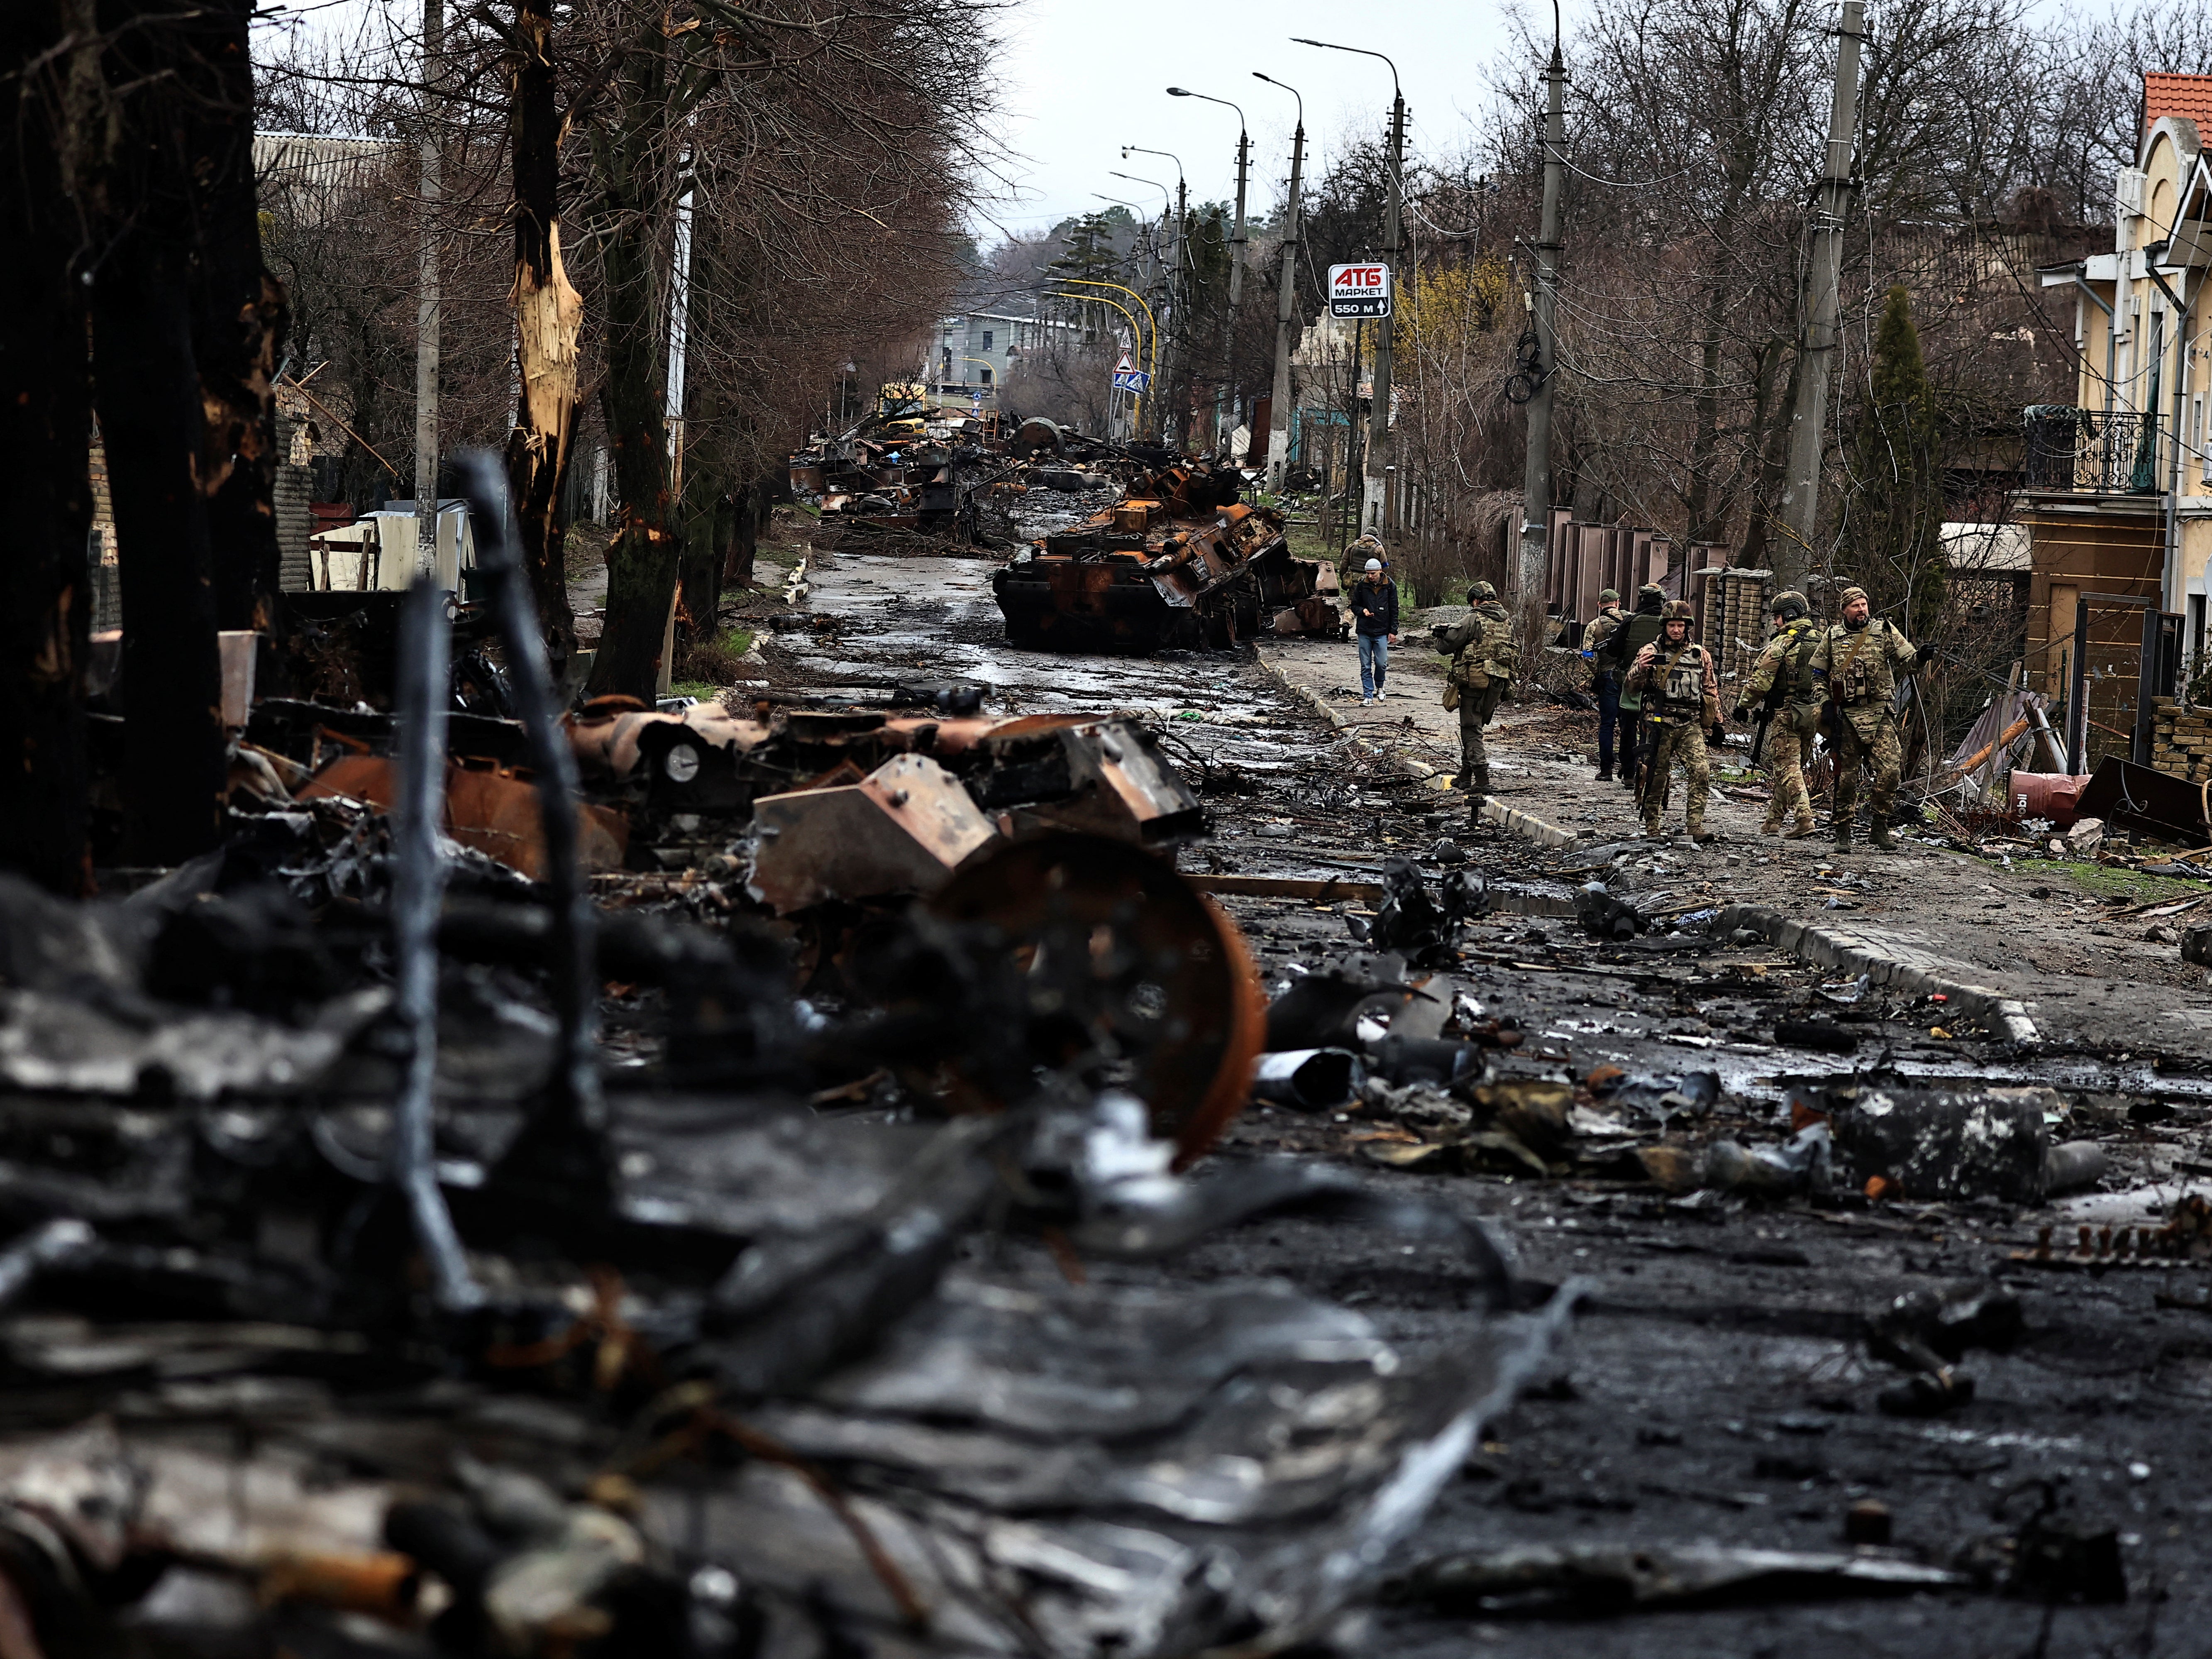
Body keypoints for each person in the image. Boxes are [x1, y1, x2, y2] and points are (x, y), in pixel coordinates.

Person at [1809, 585, 1920, 851]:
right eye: (1856, 606)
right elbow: (1818, 676)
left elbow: (1909, 661)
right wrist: (1825, 704)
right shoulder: (1832, 637)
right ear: (1845, 610)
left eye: (1864, 604)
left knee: (1890, 771)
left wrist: (1922, 657)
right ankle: (1843, 832)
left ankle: (1879, 827)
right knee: (1846, 777)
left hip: (1880, 713)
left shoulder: (1884, 631)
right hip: (1847, 716)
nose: (1862, 610)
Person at [1624, 600, 1720, 841]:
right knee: (1656, 775)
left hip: (1690, 723)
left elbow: (1710, 690)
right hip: (1659, 723)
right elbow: (1631, 687)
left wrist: (1717, 723)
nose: (1676, 630)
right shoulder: (1650, 651)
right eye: (1672, 625)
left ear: (1687, 627)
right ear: (1664, 626)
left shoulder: (1700, 655)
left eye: (1680, 625)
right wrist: (1640, 668)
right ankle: (1653, 828)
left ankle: (1695, 826)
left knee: (1701, 771)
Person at [1731, 590, 1821, 838]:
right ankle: (1774, 820)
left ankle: (1804, 818)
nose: (1775, 621)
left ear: (1789, 614)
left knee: (1787, 766)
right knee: (1792, 766)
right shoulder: (1823, 640)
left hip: (1786, 712)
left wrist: (1743, 706)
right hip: (1813, 712)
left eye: (1777, 616)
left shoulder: (1783, 642)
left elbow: (1760, 679)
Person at [1433, 580, 1517, 794]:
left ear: (1477, 600)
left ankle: (1482, 779)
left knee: (1471, 729)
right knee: (1475, 726)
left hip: (1475, 681)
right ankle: (1465, 776)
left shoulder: (1473, 619)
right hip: (1498, 683)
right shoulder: (1507, 622)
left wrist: (1439, 637)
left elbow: (1447, 646)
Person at [1597, 584, 1668, 794]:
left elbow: (1613, 650)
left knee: (1628, 728)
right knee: (1660, 729)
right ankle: (1656, 773)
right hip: (1662, 686)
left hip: (1632, 683)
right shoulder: (1669, 624)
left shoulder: (1631, 621)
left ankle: (1629, 773)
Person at [1582, 588, 1626, 780]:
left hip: (1608, 677)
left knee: (1607, 724)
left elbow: (1587, 654)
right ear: (1618, 603)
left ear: (1600, 605)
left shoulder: (1594, 625)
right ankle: (1628, 768)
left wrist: (1598, 672)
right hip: (1629, 678)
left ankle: (1606, 769)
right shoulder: (1630, 621)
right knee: (1628, 724)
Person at [1348, 557, 1398, 705]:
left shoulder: (1390, 586)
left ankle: (1380, 687)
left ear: (1380, 571)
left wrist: (1393, 631)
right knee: (1365, 665)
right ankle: (1368, 695)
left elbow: (1394, 609)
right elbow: (1354, 605)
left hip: (1382, 631)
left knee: (1382, 663)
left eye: (1373, 573)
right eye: (1368, 573)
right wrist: (1363, 611)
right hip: (1364, 630)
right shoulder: (1362, 586)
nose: (1370, 576)